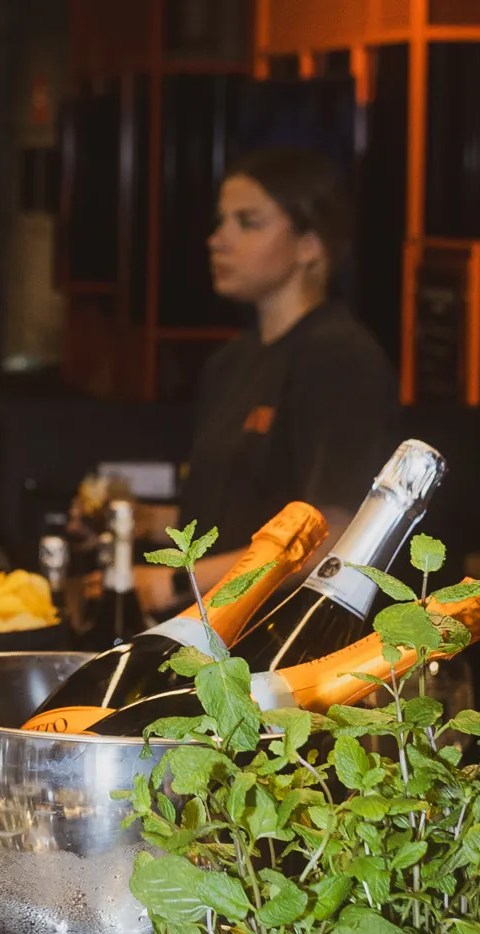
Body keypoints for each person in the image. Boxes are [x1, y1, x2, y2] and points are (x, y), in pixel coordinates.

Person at [144, 146, 398, 609]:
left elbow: (329, 537)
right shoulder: (230, 362)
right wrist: (139, 521)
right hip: (212, 638)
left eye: (249, 222)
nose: (218, 240)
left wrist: (180, 584)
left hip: (281, 649)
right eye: (221, 221)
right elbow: (231, 512)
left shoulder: (340, 357)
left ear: (310, 245)